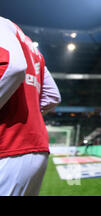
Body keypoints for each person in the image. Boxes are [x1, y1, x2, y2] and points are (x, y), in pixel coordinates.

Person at [0, 16, 61, 196]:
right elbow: (52, 95)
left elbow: (13, 67)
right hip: (35, 147)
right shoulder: (24, 41)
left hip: (8, 146)